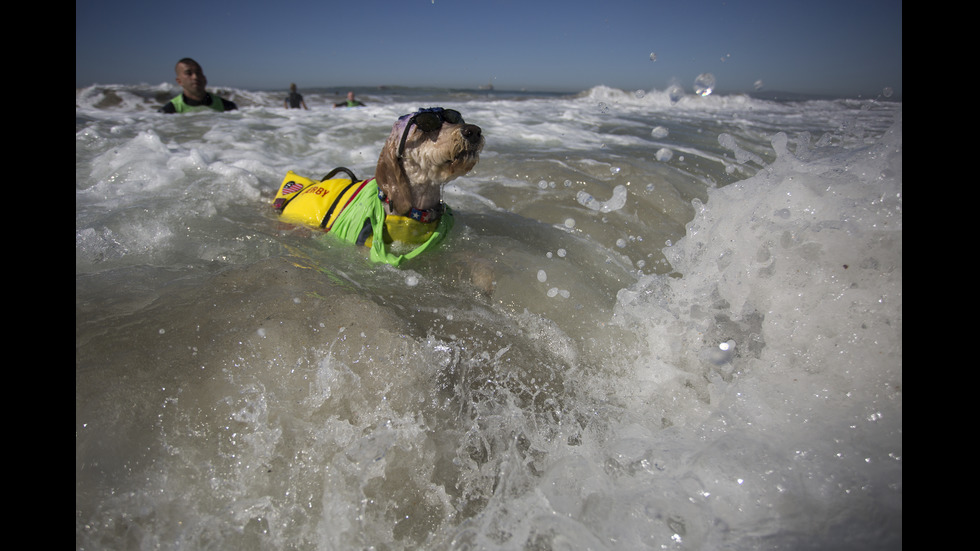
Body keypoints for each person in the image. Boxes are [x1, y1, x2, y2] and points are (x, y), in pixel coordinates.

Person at [159, 58, 238, 114]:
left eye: (198, 73)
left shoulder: (228, 107)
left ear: (204, 78)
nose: (195, 77)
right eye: (189, 73)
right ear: (179, 81)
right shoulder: (168, 112)